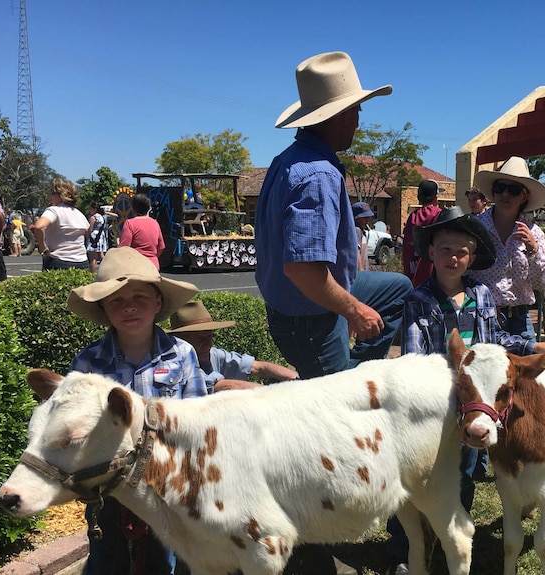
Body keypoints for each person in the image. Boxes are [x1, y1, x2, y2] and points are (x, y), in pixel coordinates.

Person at [254, 51, 412, 575]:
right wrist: (354, 312)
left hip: (304, 306)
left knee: (398, 288)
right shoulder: (318, 174)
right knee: (332, 428)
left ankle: (349, 367)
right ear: (335, 116)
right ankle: (314, 542)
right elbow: (305, 271)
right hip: (310, 313)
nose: (360, 118)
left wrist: (357, 304)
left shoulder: (288, 160)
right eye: (356, 110)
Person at [385, 206, 536, 574]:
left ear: (471, 258)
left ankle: (454, 534)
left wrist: (532, 347)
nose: (453, 257)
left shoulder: (482, 295)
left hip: (476, 408)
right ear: (431, 253)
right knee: (424, 474)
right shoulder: (418, 301)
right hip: (437, 407)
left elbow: (495, 342)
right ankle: (409, 544)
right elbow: (414, 358)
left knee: (465, 471)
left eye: (461, 251)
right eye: (446, 249)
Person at [67, 246, 206, 575]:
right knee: (105, 557)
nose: (129, 307)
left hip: (165, 482)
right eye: (116, 300)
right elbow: (77, 427)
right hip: (107, 486)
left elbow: (197, 420)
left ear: (158, 303)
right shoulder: (87, 364)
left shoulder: (181, 355)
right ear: (104, 308)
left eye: (140, 298)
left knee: (165, 559)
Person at [466, 156, 545, 354]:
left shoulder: (534, 233)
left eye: (514, 190)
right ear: (493, 192)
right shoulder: (474, 228)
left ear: (524, 196)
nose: (506, 194)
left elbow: (542, 282)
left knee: (525, 381)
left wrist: (533, 250)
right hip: (481, 317)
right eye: (500, 188)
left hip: (520, 319)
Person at [167, 300, 298, 393]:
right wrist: (271, 393)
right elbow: (221, 385)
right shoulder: (178, 363)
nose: (208, 342)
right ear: (181, 340)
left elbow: (257, 367)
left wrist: (297, 379)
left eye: (209, 336)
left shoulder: (211, 354)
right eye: (200, 338)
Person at [33, 178, 89, 271]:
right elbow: (87, 232)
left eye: (52, 193)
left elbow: (39, 226)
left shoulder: (54, 210)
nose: (50, 196)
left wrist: (43, 248)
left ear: (61, 195)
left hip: (59, 261)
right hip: (82, 262)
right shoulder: (79, 213)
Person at [401, 179, 441, 287]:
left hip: (412, 273)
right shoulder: (439, 214)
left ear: (419, 198)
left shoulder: (412, 217)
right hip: (434, 275)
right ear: (436, 198)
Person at [119, 193, 165, 270]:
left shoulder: (129, 223)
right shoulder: (155, 223)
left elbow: (124, 248)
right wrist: (153, 257)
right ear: (148, 208)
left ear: (133, 208)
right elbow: (161, 247)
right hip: (153, 265)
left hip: (136, 266)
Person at [352, 201, 374, 271]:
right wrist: (361, 269)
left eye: (368, 217)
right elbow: (356, 252)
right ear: (356, 218)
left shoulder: (362, 230)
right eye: (364, 217)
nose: (368, 219)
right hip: (359, 273)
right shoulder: (356, 230)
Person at [86, 203, 109, 272]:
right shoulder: (102, 217)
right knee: (101, 255)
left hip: (94, 236)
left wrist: (87, 235)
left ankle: (92, 274)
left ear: (94, 209)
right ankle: (107, 270)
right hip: (101, 236)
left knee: (93, 258)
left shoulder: (93, 217)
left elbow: (90, 229)